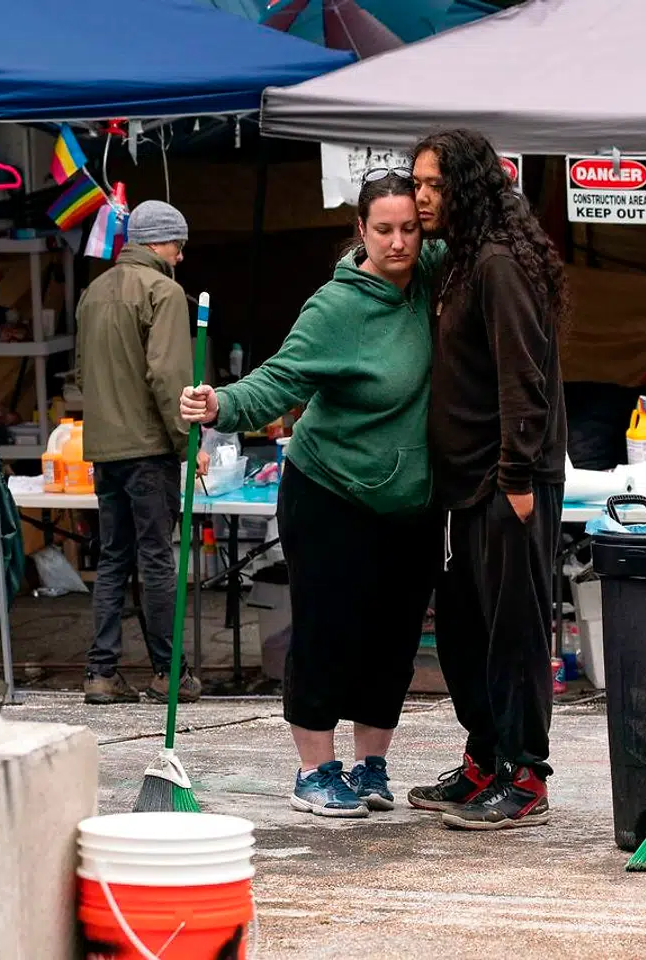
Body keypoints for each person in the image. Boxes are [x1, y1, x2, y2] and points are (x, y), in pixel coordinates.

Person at [180, 171, 438, 819]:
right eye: (384, 229)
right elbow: (278, 381)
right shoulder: (336, 309)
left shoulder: (436, 277)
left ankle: (370, 763)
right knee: (327, 632)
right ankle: (314, 770)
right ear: (360, 231)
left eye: (410, 228)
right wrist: (220, 404)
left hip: (409, 501)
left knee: (394, 638)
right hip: (330, 493)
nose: (399, 242)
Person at [407, 129, 570, 831]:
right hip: (466, 485)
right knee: (467, 634)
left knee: (516, 634)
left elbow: (523, 380)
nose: (419, 198)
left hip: (510, 483)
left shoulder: (499, 264)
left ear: (466, 188)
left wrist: (518, 479)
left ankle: (526, 775)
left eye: (431, 185)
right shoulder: (461, 260)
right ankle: (485, 760)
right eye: (415, 183)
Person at [76, 200, 207, 706]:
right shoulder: (164, 292)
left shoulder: (95, 291)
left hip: (104, 448)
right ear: (160, 242)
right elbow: (169, 376)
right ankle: (168, 673)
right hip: (150, 449)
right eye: (177, 245)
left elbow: (85, 372)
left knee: (112, 558)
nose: (180, 255)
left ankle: (100, 672)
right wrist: (187, 441)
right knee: (156, 559)